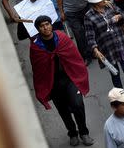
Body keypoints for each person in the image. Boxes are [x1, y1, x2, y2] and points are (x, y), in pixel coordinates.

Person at [29, 15, 94, 147]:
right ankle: (72, 133)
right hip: (52, 83)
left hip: (70, 78)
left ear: (51, 25)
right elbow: (38, 70)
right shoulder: (36, 47)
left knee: (78, 104)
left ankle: (83, 132)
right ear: (38, 29)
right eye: (42, 26)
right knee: (63, 110)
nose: (45, 27)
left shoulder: (62, 38)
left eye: (47, 24)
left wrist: (79, 73)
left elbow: (74, 57)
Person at [85, 0, 124, 100]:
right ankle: (121, 96)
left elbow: (123, 14)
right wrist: (95, 49)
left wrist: (120, 16)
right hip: (107, 49)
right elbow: (90, 36)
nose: (104, 0)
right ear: (95, 2)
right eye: (101, 0)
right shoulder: (88, 16)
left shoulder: (110, 5)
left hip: (121, 44)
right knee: (115, 74)